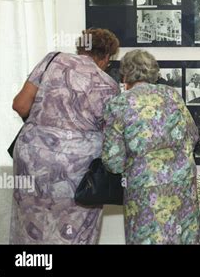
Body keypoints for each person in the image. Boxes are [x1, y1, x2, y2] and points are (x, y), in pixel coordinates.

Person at [10, 28, 120, 244]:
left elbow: (20, 104)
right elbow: (110, 137)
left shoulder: (52, 60)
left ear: (80, 47)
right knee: (74, 227)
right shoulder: (109, 86)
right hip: (77, 169)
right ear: (106, 57)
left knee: (30, 222)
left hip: (32, 156)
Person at [102, 50, 200, 245]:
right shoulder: (172, 94)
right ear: (154, 72)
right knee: (183, 237)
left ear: (125, 75)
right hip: (182, 182)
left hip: (144, 187)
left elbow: (113, 160)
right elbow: (193, 135)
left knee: (148, 237)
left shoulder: (118, 103)